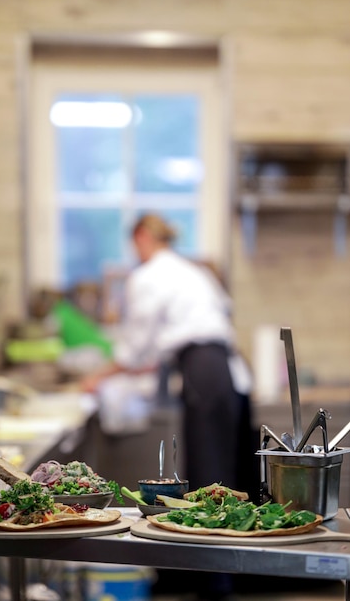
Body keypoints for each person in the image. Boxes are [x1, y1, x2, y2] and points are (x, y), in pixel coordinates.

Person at [81, 213, 256, 600]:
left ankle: (215, 585)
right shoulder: (190, 270)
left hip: (205, 373)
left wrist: (99, 376)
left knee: (212, 483)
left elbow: (135, 345)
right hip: (228, 372)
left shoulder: (149, 276)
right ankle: (225, 576)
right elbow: (180, 336)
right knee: (230, 478)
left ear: (142, 236)